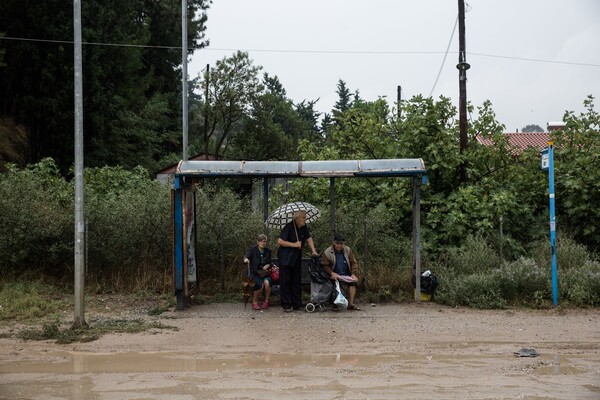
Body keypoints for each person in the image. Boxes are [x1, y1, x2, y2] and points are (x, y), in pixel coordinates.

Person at [277, 210, 319, 312]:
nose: (305, 219)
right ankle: (286, 304)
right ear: (297, 218)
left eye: (305, 217)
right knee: (286, 281)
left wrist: (313, 251)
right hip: (285, 258)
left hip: (296, 257)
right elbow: (280, 241)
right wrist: (294, 244)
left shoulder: (304, 227)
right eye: (303, 218)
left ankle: (297, 303)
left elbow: (308, 238)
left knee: (296, 280)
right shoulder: (289, 227)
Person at [321, 233, 361, 311]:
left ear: (344, 244)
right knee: (336, 284)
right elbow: (324, 265)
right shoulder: (327, 252)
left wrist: (353, 274)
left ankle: (351, 304)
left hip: (346, 274)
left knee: (353, 282)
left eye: (341, 244)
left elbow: (353, 262)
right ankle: (335, 304)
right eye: (337, 243)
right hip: (334, 274)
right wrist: (331, 273)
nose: (339, 246)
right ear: (333, 242)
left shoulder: (348, 250)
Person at [243, 234, 273, 310]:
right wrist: (246, 259)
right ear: (258, 242)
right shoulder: (252, 249)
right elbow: (246, 256)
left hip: (264, 272)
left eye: (265, 241)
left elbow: (270, 262)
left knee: (267, 283)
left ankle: (266, 301)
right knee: (260, 285)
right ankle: (255, 302)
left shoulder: (268, 251)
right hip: (255, 272)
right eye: (262, 241)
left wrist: (267, 265)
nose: (264, 243)